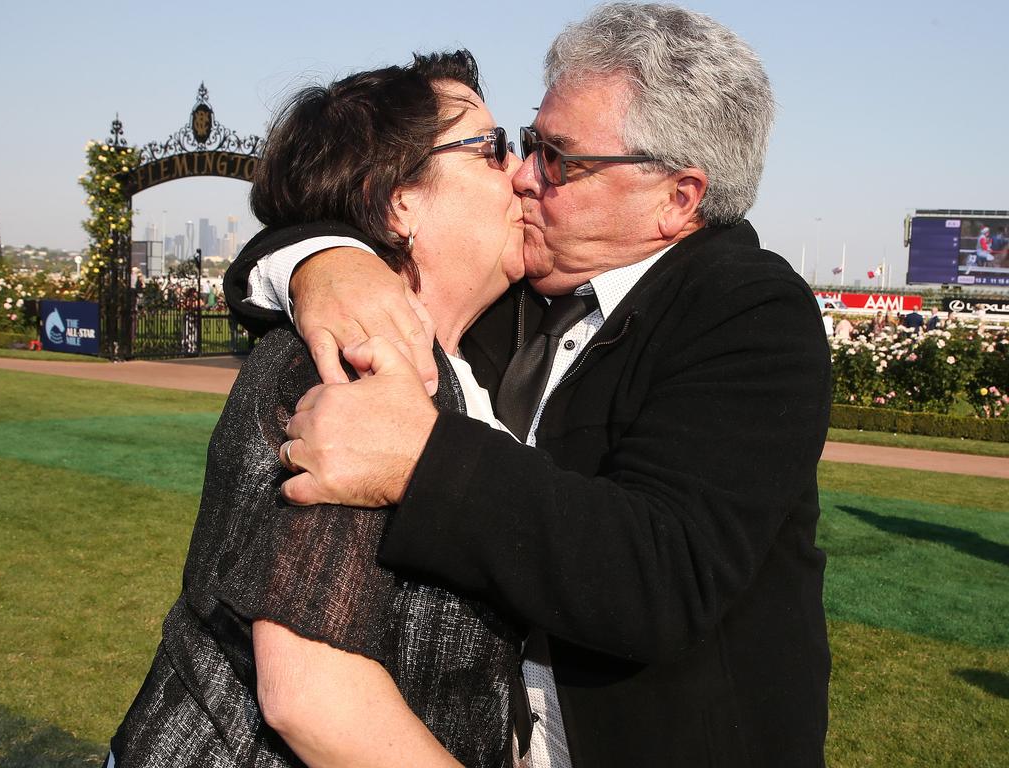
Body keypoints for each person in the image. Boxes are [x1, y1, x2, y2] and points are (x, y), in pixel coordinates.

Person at [226, 4, 832, 767]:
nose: (522, 175)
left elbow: (662, 574)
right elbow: (323, 217)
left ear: (677, 199)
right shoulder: (524, 284)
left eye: (558, 158)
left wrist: (421, 460)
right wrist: (318, 260)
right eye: (526, 144)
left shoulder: (748, 311)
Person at [110, 50, 528, 768]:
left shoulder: (455, 353)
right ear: (401, 201)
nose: (521, 171)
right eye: (491, 150)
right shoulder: (355, 362)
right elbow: (313, 693)